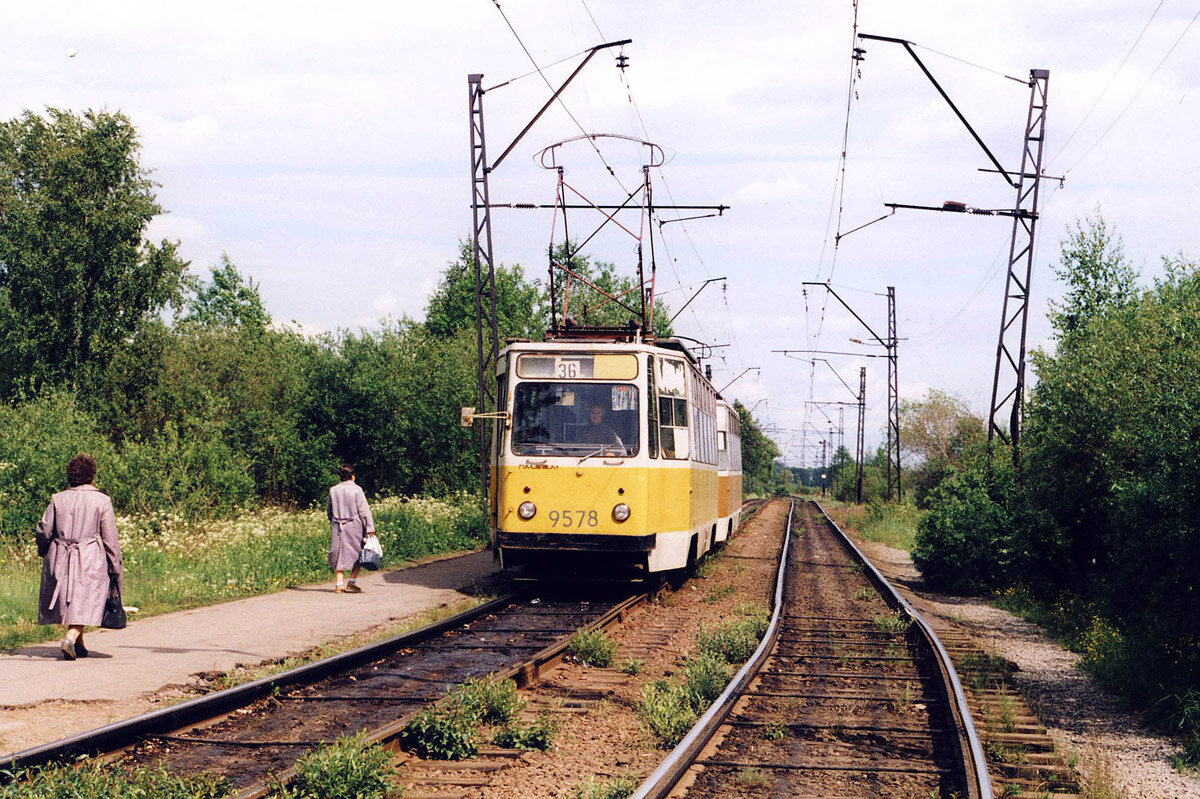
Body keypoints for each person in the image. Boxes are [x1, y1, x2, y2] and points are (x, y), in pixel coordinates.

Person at [36, 453, 123, 660]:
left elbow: (44, 529)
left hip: (60, 554)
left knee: (72, 599)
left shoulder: (58, 499)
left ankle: (79, 644)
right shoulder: (102, 500)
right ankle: (71, 637)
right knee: (85, 597)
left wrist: (44, 550)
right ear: (92, 475)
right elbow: (110, 537)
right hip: (89, 555)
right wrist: (115, 565)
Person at [327, 463, 376, 594]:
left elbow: (329, 511)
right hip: (354, 526)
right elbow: (364, 511)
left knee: (339, 553)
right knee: (359, 553)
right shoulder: (356, 490)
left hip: (338, 526)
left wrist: (334, 520)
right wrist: (370, 527)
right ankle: (352, 581)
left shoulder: (333, 490)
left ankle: (339, 584)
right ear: (352, 476)